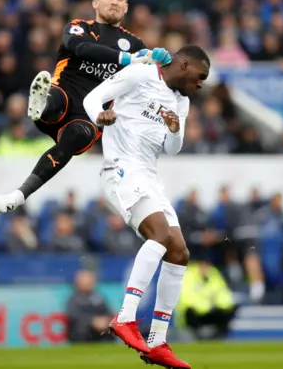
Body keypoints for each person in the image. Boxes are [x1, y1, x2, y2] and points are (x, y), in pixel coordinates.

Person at [0, 0, 171, 214]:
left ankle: (18, 195)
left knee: (74, 138)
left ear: (126, 7)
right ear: (95, 3)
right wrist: (127, 59)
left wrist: (165, 63)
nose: (114, 2)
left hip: (89, 116)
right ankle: (40, 107)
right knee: (56, 101)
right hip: (64, 95)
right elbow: (82, 49)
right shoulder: (79, 27)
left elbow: (152, 81)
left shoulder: (135, 44)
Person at [83, 45, 210, 369]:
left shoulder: (182, 101)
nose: (200, 84)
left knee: (179, 251)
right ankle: (125, 317)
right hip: (121, 170)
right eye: (199, 76)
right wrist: (100, 115)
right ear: (183, 64)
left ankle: (157, 341)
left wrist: (174, 128)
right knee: (161, 234)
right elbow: (92, 98)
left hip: (150, 176)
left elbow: (172, 149)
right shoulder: (140, 74)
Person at [65, 269, 113, 343]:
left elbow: (107, 312)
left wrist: (105, 321)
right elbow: (74, 316)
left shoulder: (98, 297)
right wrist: (92, 322)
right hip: (82, 333)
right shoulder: (74, 299)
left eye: (90, 280)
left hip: (100, 331)